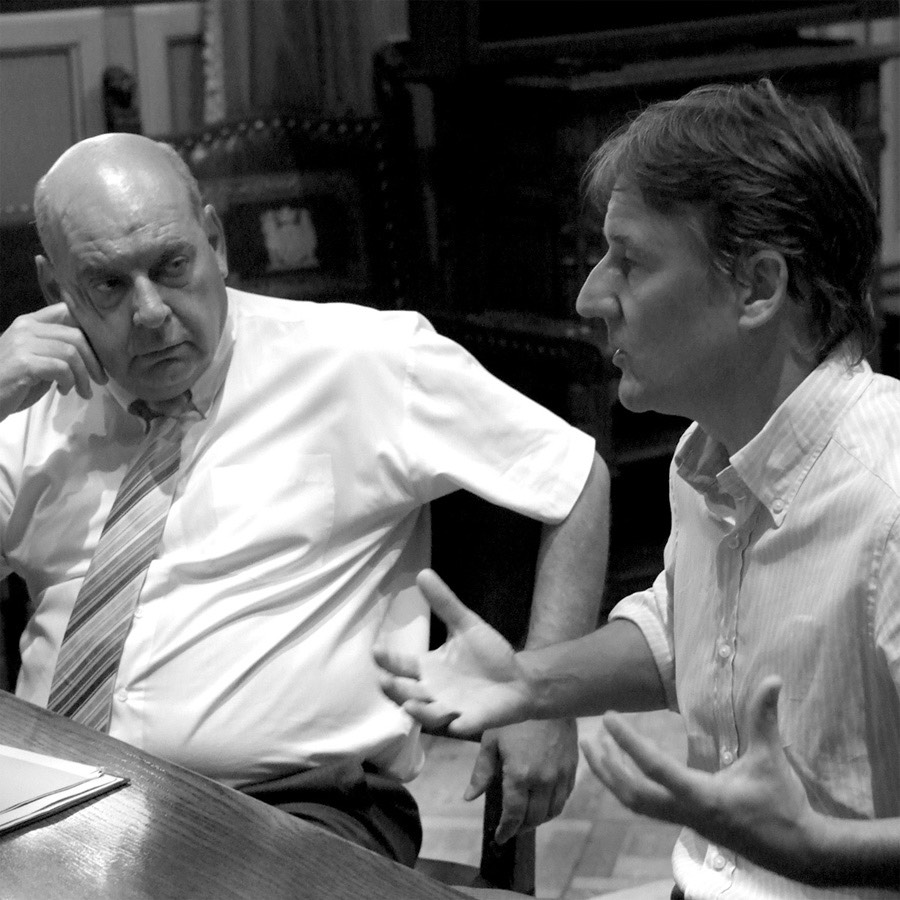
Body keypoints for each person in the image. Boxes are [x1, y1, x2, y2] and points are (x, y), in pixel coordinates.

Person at [0, 132, 610, 866]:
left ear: (216, 241)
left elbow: (574, 476)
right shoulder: (33, 399)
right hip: (51, 802)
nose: (151, 311)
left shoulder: (360, 361)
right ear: (54, 289)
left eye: (172, 265)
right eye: (108, 285)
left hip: (293, 810)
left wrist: (544, 696)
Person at [376, 77, 900, 896]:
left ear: (759, 287)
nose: (590, 297)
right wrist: (529, 683)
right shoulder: (710, 450)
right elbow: (684, 630)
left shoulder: (888, 502)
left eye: (630, 260)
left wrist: (819, 849)